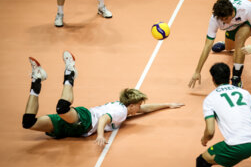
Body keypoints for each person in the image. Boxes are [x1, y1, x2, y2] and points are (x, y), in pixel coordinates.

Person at [22, 51, 184, 146]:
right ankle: (70, 73)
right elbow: (104, 119)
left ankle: (36, 80)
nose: (140, 108)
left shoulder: (124, 106)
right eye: (138, 105)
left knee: (28, 123)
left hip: (73, 129)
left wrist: (168, 104)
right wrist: (100, 135)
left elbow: (145, 109)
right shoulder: (121, 111)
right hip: (86, 121)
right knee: (62, 109)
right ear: (132, 104)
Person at [188, 0, 251, 89]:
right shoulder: (215, 20)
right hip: (234, 25)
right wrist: (197, 71)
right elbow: (207, 46)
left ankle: (236, 77)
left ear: (232, 12)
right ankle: (226, 45)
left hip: (247, 20)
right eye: (222, 19)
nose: (225, 22)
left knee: (239, 39)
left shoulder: (246, 9)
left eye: (226, 18)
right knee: (229, 48)